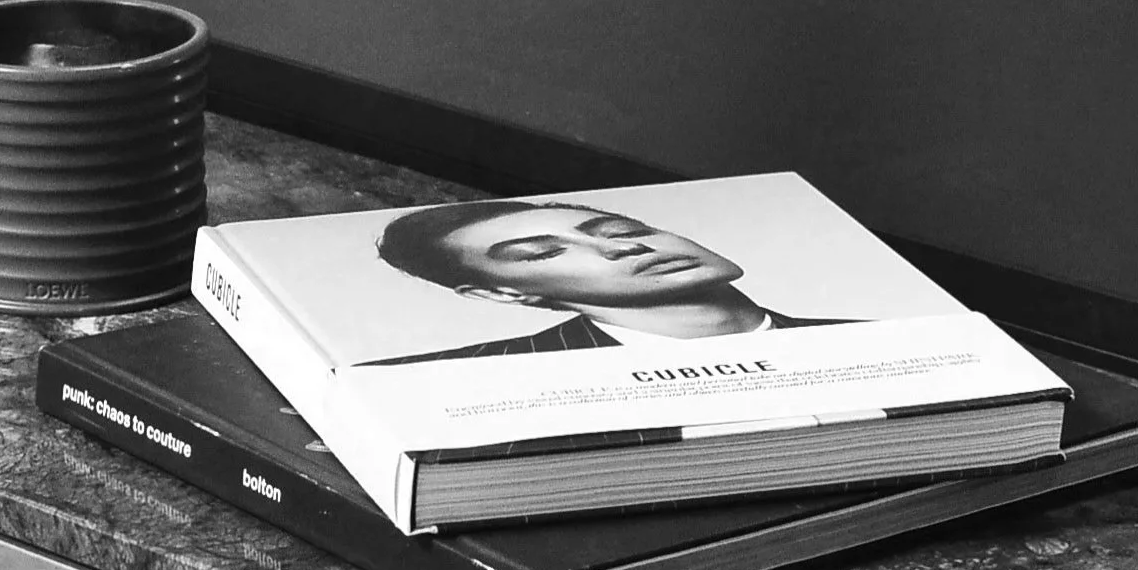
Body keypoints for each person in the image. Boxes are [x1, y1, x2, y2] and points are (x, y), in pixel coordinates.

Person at [364, 196, 852, 363]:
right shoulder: (436, 381)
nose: (622, 246)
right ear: (503, 293)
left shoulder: (868, 340)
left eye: (623, 229)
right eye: (544, 252)